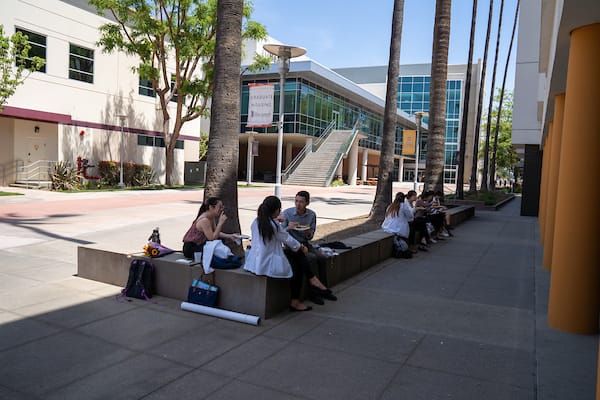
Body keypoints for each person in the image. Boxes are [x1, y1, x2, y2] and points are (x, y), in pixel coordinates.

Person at [244, 195, 332, 312]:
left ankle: (311, 280)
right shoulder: (274, 226)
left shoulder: (257, 222)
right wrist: (301, 247)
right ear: (275, 210)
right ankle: (301, 294)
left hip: (255, 261)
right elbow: (287, 239)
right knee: (298, 266)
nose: (280, 212)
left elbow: (276, 235)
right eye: (279, 210)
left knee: (296, 256)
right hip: (269, 263)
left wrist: (278, 223)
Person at [281, 190, 337, 305]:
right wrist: (288, 228)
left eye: (301, 202)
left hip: (305, 243)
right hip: (292, 246)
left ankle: (323, 289)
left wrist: (307, 232)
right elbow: (280, 233)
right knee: (310, 259)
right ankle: (313, 293)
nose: (298, 204)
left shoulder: (311, 215)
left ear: (307, 203)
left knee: (321, 258)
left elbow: (310, 236)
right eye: (296, 201)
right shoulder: (287, 213)